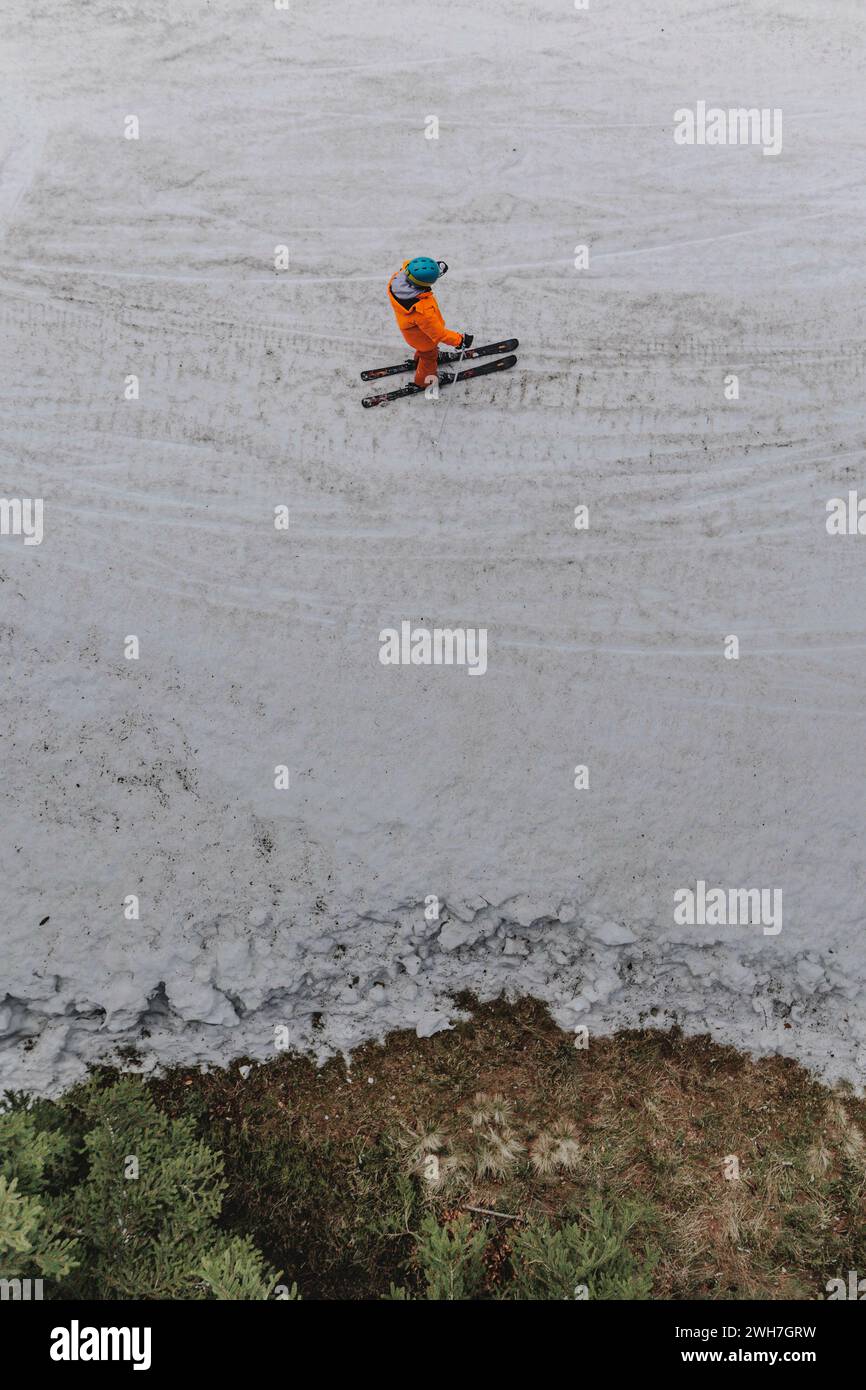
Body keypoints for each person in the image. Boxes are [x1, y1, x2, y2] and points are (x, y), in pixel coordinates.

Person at [387, 257, 473, 390]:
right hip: (423, 337)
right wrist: (459, 340)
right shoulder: (423, 310)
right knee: (429, 356)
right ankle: (424, 381)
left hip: (412, 332)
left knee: (423, 349)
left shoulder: (397, 280)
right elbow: (438, 333)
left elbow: (410, 265)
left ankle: (418, 360)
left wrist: (433, 267)